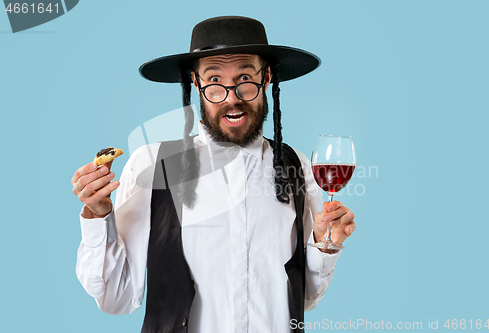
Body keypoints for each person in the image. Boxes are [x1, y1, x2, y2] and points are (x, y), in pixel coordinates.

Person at [72, 16, 356, 333]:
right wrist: (98, 215)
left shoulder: (296, 165)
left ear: (267, 78)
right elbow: (116, 298)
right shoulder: (153, 166)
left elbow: (302, 299)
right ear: (196, 83)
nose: (231, 97)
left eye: (245, 77)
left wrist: (324, 245)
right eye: (215, 80)